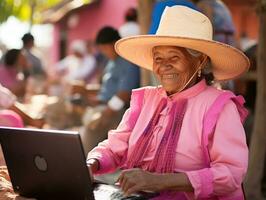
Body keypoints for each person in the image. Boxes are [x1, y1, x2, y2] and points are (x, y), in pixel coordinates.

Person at [87, 6, 249, 199]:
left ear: (201, 62)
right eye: (158, 58)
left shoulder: (220, 106)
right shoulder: (145, 100)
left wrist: (159, 180)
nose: (164, 66)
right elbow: (115, 146)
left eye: (174, 57)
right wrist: (92, 163)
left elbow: (231, 174)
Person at [79, 26, 140, 155]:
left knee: (90, 128)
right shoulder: (111, 62)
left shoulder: (128, 61)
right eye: (101, 49)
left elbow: (124, 94)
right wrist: (85, 91)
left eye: (105, 48)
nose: (103, 52)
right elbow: (105, 89)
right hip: (102, 105)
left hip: (116, 111)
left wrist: (106, 112)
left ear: (114, 44)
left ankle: (83, 159)